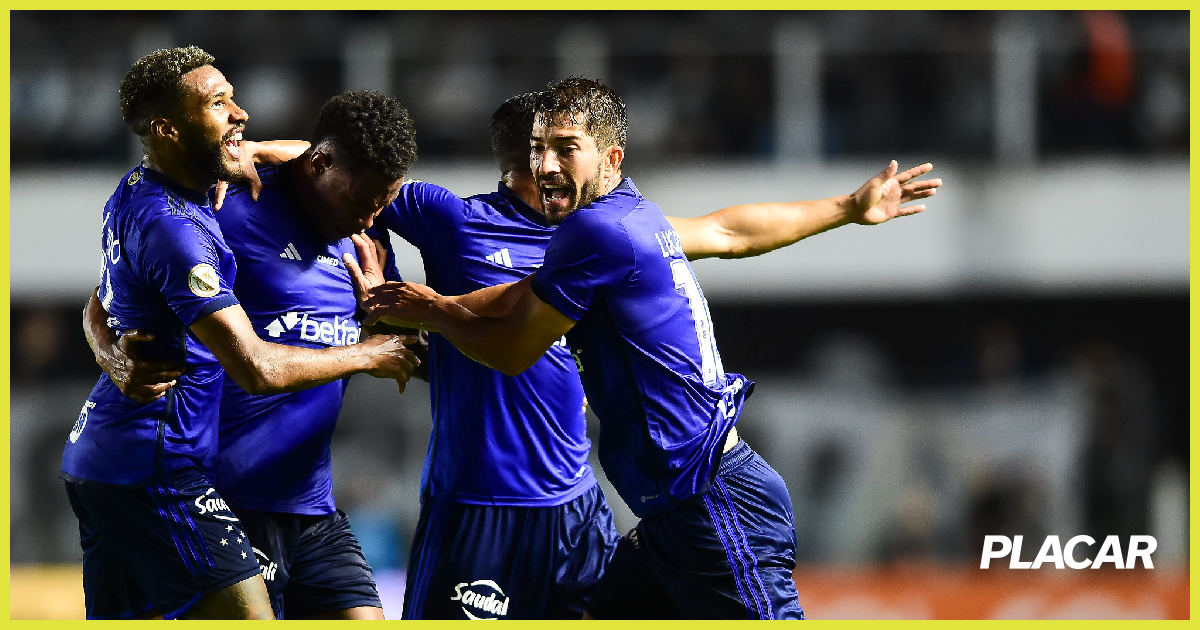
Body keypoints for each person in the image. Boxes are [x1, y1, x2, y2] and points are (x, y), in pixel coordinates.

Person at [348, 77, 938, 619]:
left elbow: (510, 348)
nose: (546, 165)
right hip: (667, 519)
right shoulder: (636, 218)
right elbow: (731, 232)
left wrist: (429, 310)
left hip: (713, 502)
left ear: (612, 158)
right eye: (539, 148)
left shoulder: (593, 231)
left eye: (566, 148)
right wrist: (843, 209)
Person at [62, 46, 419, 620]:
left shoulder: (354, 236)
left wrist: (380, 317)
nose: (372, 217)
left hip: (304, 500)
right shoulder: (208, 216)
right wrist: (112, 358)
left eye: (384, 203)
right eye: (219, 103)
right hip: (195, 479)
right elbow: (256, 367)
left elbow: (114, 295)